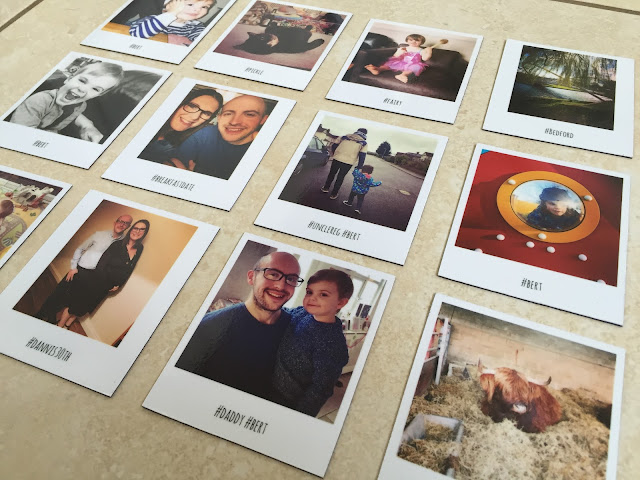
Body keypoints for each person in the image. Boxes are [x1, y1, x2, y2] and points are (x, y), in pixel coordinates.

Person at [176, 252, 302, 400]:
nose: (281, 286)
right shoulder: (208, 328)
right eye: (273, 274)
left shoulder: (298, 329)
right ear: (251, 277)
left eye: (291, 279)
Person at [271, 269, 351, 417]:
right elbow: (284, 313)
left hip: (285, 398)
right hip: (269, 377)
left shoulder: (333, 344)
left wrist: (300, 417)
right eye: (309, 292)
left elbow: (321, 389)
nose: (312, 298)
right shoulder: (303, 312)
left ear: (340, 302)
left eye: (323, 294)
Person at [35, 214, 133, 324]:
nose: (122, 224)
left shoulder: (123, 245)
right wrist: (73, 268)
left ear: (128, 227)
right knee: (58, 294)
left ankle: (52, 318)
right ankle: (40, 315)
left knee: (71, 300)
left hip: (94, 277)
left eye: (126, 223)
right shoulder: (99, 235)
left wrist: (116, 282)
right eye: (120, 221)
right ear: (115, 222)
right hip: (80, 270)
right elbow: (80, 249)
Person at [56, 220, 149, 329]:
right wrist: (107, 284)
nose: (137, 231)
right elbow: (101, 265)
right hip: (95, 281)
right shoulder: (117, 244)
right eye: (135, 228)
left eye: (141, 229)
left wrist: (119, 284)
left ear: (145, 232)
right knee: (74, 304)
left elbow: (129, 269)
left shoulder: (140, 248)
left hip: (105, 288)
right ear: (131, 229)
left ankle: (67, 325)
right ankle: (59, 325)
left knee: (84, 307)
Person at [9, 62, 124, 143]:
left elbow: (71, 115)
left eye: (95, 89)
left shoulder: (80, 105)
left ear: (99, 94)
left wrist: (87, 125)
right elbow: (18, 135)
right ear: (69, 78)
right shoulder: (40, 100)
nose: (82, 89)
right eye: (82, 81)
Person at [170, 95, 270, 179]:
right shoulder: (205, 133)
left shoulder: (267, 151)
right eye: (228, 114)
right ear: (219, 118)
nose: (234, 122)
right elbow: (175, 161)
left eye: (249, 114)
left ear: (263, 120)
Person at [139, 88, 223, 165]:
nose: (195, 117)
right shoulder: (142, 122)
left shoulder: (180, 149)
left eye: (206, 113)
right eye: (192, 106)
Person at [128, 0, 216, 46]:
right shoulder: (153, 19)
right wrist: (171, 13)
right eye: (190, 4)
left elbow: (204, 45)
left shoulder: (196, 26)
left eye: (204, 7)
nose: (197, 9)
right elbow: (136, 34)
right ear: (169, 5)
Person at [365, 36, 448, 84]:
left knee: (416, 67)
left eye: (417, 40)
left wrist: (429, 52)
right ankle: (378, 69)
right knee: (390, 63)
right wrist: (400, 53)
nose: (414, 41)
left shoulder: (422, 50)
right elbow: (395, 56)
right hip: (402, 62)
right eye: (411, 40)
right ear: (407, 41)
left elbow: (425, 58)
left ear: (421, 42)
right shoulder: (403, 48)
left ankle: (402, 75)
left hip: (413, 64)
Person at [321, 128, 368, 199]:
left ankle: (325, 188)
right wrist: (359, 166)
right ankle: (333, 194)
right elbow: (362, 155)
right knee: (340, 177)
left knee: (331, 174)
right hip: (348, 162)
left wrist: (335, 154)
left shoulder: (344, 137)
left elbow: (334, 145)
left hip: (337, 159)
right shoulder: (364, 143)